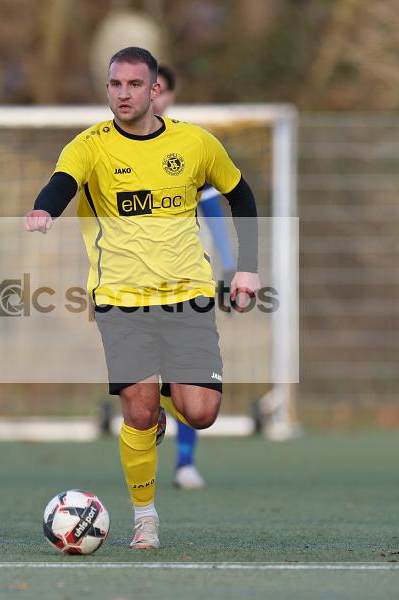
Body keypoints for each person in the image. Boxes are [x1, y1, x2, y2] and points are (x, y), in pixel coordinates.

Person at [24, 47, 259, 550]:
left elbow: (242, 196)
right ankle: (144, 517)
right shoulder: (90, 146)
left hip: (188, 295)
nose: (122, 94)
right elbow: (60, 184)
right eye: (114, 85)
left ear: (155, 90)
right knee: (138, 411)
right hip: (120, 299)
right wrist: (44, 210)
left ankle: (165, 406)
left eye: (133, 85)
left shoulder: (194, 144)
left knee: (200, 412)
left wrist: (249, 268)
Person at [153, 64, 237, 491]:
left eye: (161, 90)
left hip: (187, 281)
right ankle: (151, 425)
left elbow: (214, 209)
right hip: (132, 282)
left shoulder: (187, 146)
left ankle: (185, 461)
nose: (154, 97)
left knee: (188, 374)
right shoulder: (111, 148)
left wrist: (228, 266)